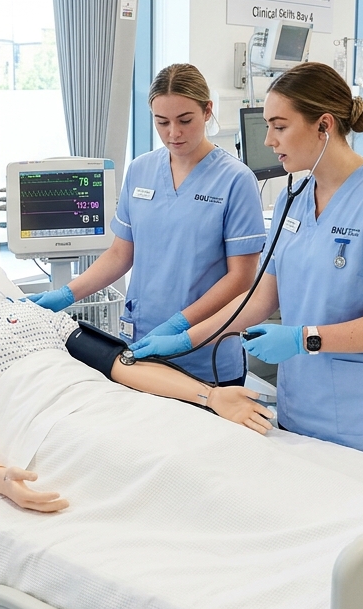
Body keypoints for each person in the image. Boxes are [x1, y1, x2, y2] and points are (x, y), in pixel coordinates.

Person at [133, 63, 363, 465]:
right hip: (301, 411)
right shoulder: (297, 199)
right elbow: (258, 298)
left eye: (279, 126)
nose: (268, 140)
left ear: (323, 125)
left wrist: (302, 338)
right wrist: (188, 339)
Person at [0, 230, 273, 512]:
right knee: (178, 473)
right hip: (49, 428)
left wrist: (210, 395)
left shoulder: (22, 309)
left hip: (110, 403)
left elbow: (119, 364)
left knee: (212, 445)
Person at [28, 64, 265, 386]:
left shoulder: (236, 180)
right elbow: (120, 254)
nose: (173, 133)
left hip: (205, 347)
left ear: (208, 111)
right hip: (141, 341)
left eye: (185, 120)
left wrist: (180, 326)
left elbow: (241, 278)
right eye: (162, 122)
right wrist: (67, 294)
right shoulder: (141, 170)